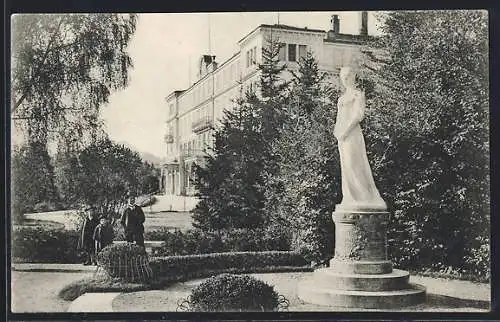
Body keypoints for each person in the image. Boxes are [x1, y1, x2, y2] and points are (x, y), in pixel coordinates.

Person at [333, 66, 386, 211]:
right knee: (346, 167)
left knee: (354, 164)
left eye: (347, 76)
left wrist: (346, 131)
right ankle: (350, 197)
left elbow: (358, 115)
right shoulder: (342, 98)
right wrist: (338, 132)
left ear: (353, 77)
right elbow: (339, 117)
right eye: (343, 77)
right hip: (342, 137)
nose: (345, 80)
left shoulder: (358, 94)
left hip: (352, 134)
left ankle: (365, 197)